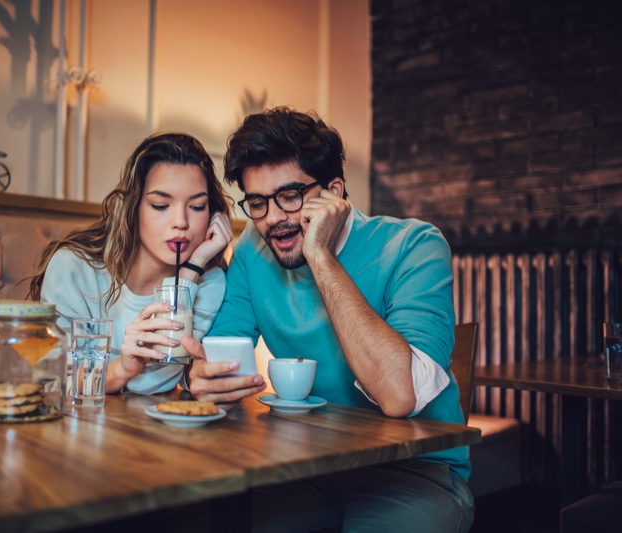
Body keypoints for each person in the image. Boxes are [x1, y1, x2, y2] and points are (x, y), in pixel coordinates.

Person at [181, 107, 473, 532]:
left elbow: (399, 396)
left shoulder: (415, 245)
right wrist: (204, 378)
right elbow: (222, 357)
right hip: (305, 468)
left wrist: (320, 255)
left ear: (334, 192)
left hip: (415, 472)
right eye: (258, 202)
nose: (274, 218)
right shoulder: (251, 251)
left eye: (291, 195)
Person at [28, 132, 233, 395]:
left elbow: (154, 382)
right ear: (133, 207)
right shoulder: (74, 270)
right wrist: (121, 370)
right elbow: (50, 380)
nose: (181, 221)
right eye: (160, 205)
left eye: (197, 206)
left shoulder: (209, 283)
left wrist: (191, 271)